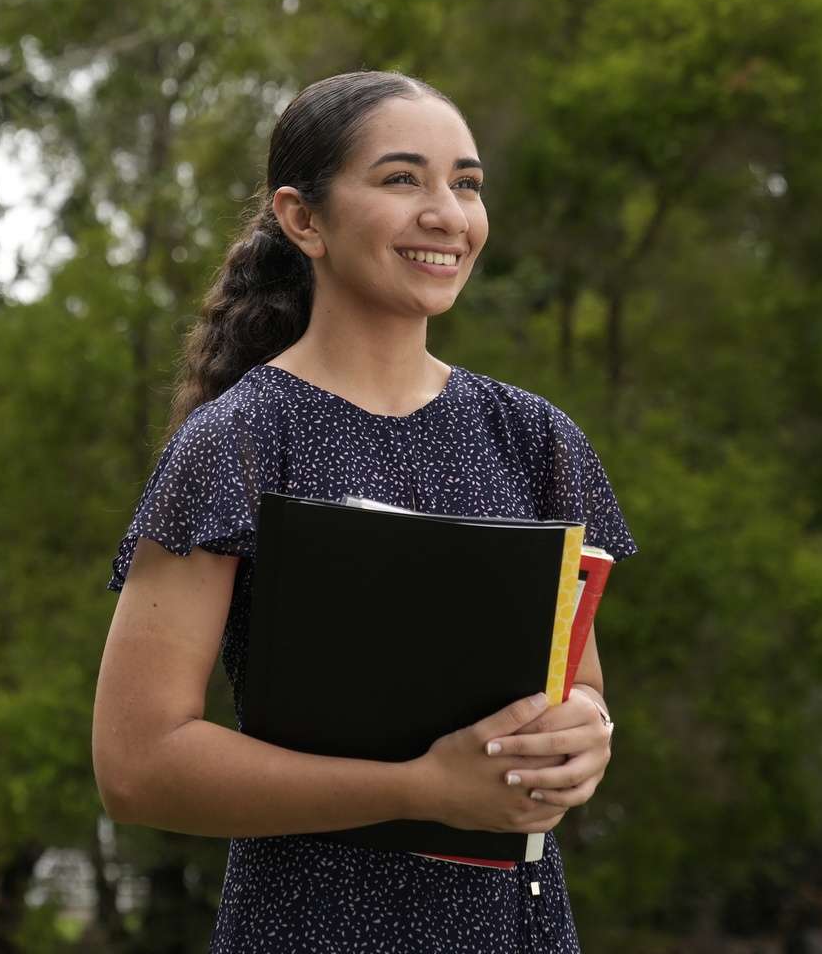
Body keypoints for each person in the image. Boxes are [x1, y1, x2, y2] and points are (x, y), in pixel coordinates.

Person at [92, 69, 639, 951]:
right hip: (308, 927)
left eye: (465, 183)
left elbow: (576, 684)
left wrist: (586, 733)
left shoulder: (536, 437)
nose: (448, 213)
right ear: (303, 219)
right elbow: (137, 765)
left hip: (514, 930)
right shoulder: (236, 443)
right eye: (401, 179)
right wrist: (420, 789)